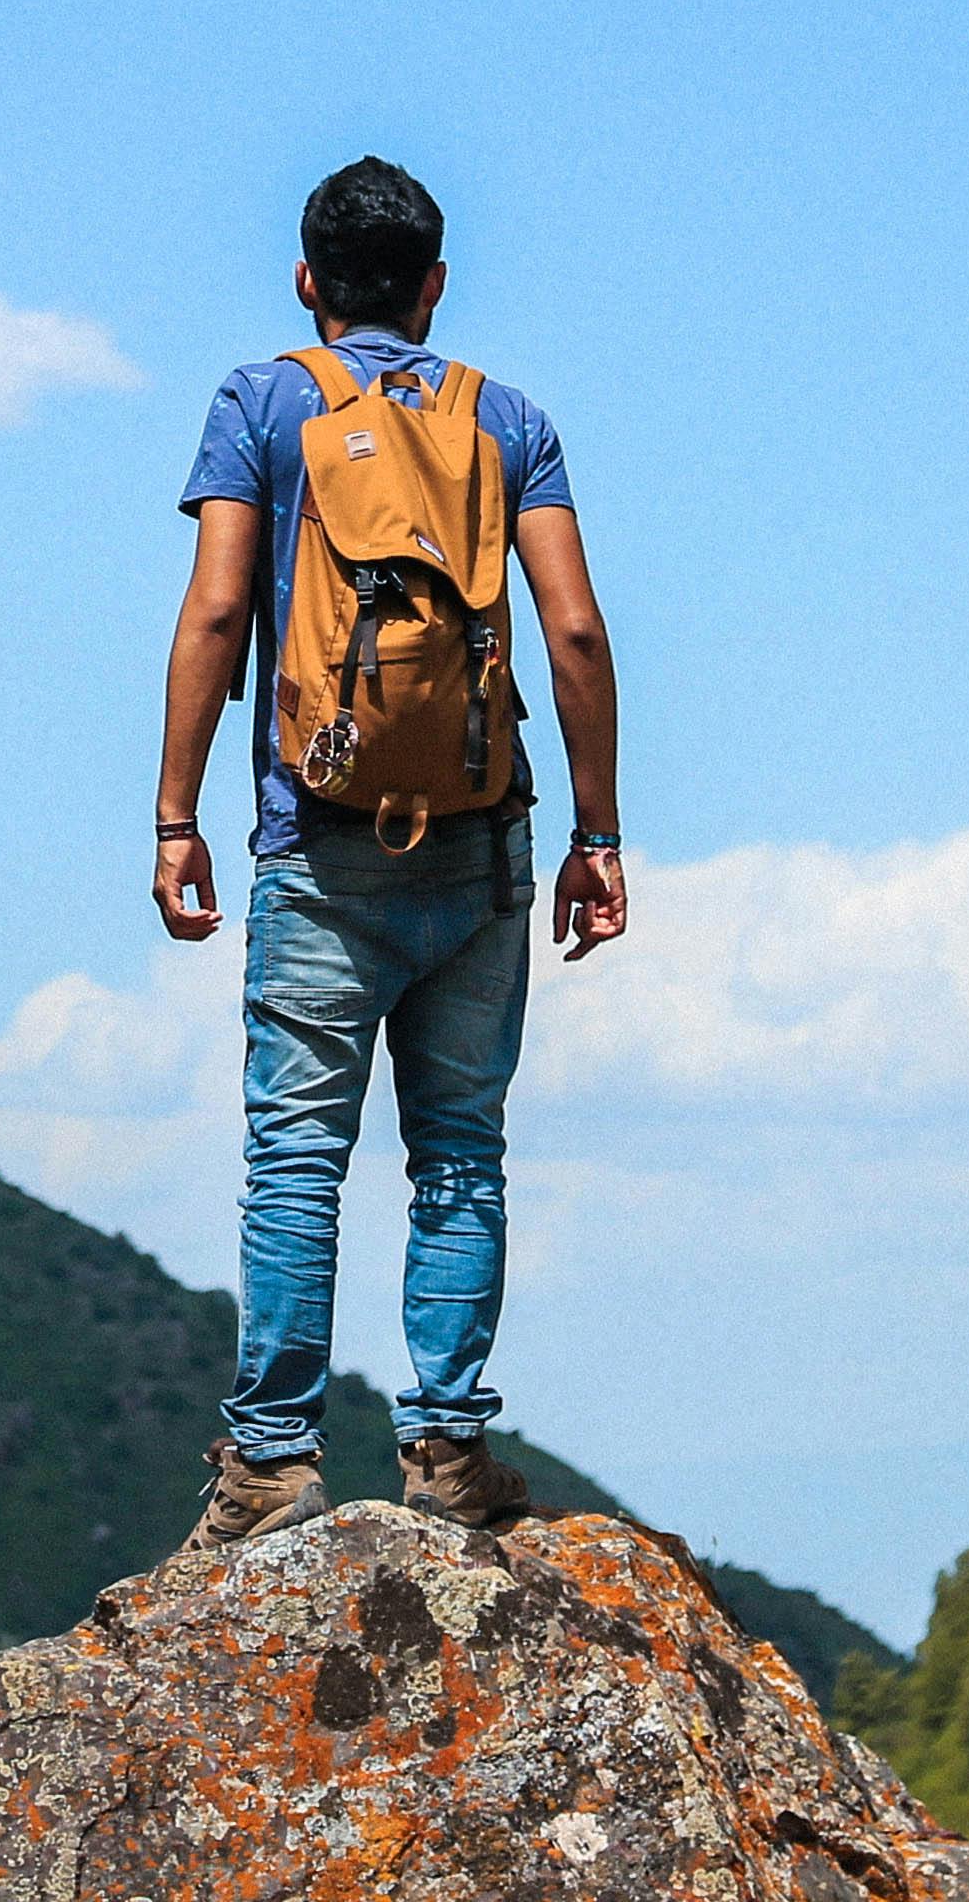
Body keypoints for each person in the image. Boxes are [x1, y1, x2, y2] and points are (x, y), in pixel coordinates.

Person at [153, 154, 627, 1555]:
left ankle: (268, 1472)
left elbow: (218, 609)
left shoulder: (264, 402)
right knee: (461, 1154)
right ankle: (449, 1458)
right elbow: (578, 633)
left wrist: (177, 816)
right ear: (432, 288)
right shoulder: (509, 421)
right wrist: (597, 834)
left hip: (320, 837)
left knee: (297, 1152)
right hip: (482, 841)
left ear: (308, 283)